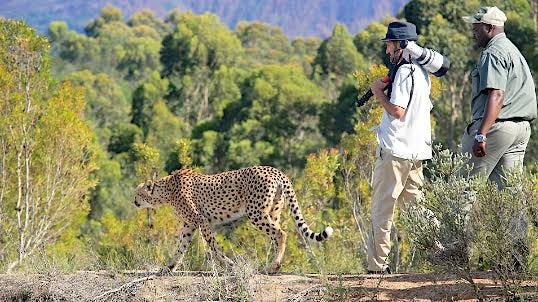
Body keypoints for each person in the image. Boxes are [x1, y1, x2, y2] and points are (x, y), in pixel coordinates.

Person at [367, 21, 433, 274]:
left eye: (390, 45)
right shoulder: (422, 72)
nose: (387, 51)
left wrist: (378, 93)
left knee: (382, 209)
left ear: (401, 45)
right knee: (418, 210)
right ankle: (445, 257)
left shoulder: (404, 72)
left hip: (395, 152)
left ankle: (377, 267)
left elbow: (398, 111)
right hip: (416, 152)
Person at [461, 6, 537, 188]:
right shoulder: (512, 50)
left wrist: (481, 135)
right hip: (520, 129)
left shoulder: (493, 52)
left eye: (476, 27)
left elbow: (496, 94)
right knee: (508, 197)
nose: (473, 32)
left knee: (463, 189)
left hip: (497, 127)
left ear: (489, 28)